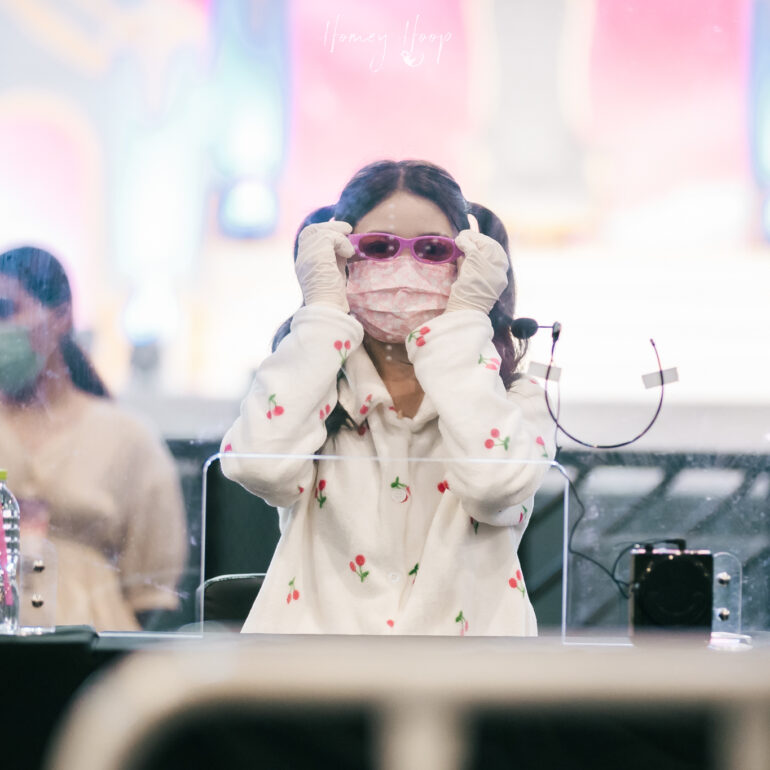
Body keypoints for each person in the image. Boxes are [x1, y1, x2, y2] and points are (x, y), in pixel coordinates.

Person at [221, 160, 555, 635]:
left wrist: (464, 320)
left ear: (469, 265)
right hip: (312, 672)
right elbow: (258, 467)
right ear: (341, 260)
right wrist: (322, 310)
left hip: (470, 673)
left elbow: (492, 488)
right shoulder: (313, 391)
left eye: (433, 250)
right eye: (378, 247)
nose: (403, 267)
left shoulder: (517, 402)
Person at [0, 246, 187, 631]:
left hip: (96, 653)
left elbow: (153, 588)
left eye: (6, 310)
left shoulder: (127, 437)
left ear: (60, 316)